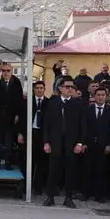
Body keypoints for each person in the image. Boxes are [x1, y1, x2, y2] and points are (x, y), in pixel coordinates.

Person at [42, 76, 85, 208]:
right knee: (53, 170)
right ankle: (50, 197)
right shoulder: (53, 103)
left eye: (72, 87)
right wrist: (46, 142)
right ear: (60, 88)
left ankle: (68, 198)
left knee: (70, 172)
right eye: (67, 87)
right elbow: (46, 124)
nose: (70, 89)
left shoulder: (78, 104)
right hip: (55, 143)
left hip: (71, 144)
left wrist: (80, 143)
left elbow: (82, 125)